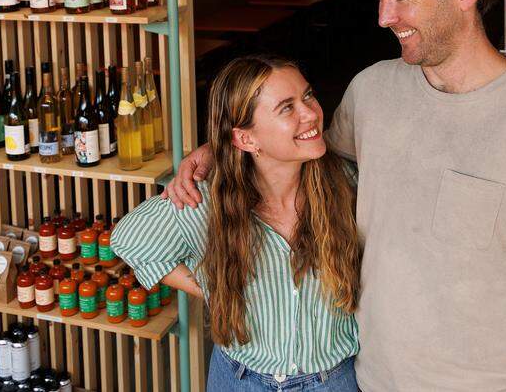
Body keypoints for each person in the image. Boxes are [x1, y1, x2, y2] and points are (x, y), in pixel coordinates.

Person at [165, 0, 506, 392]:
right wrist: (222, 148)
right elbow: (303, 154)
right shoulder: (372, 90)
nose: (383, 18)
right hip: (366, 377)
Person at [111, 54, 361, 392]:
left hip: (333, 381)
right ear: (245, 139)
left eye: (307, 95)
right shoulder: (207, 201)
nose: (311, 112)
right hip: (241, 380)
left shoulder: (347, 184)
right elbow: (129, 239)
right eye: (287, 108)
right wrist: (215, 285)